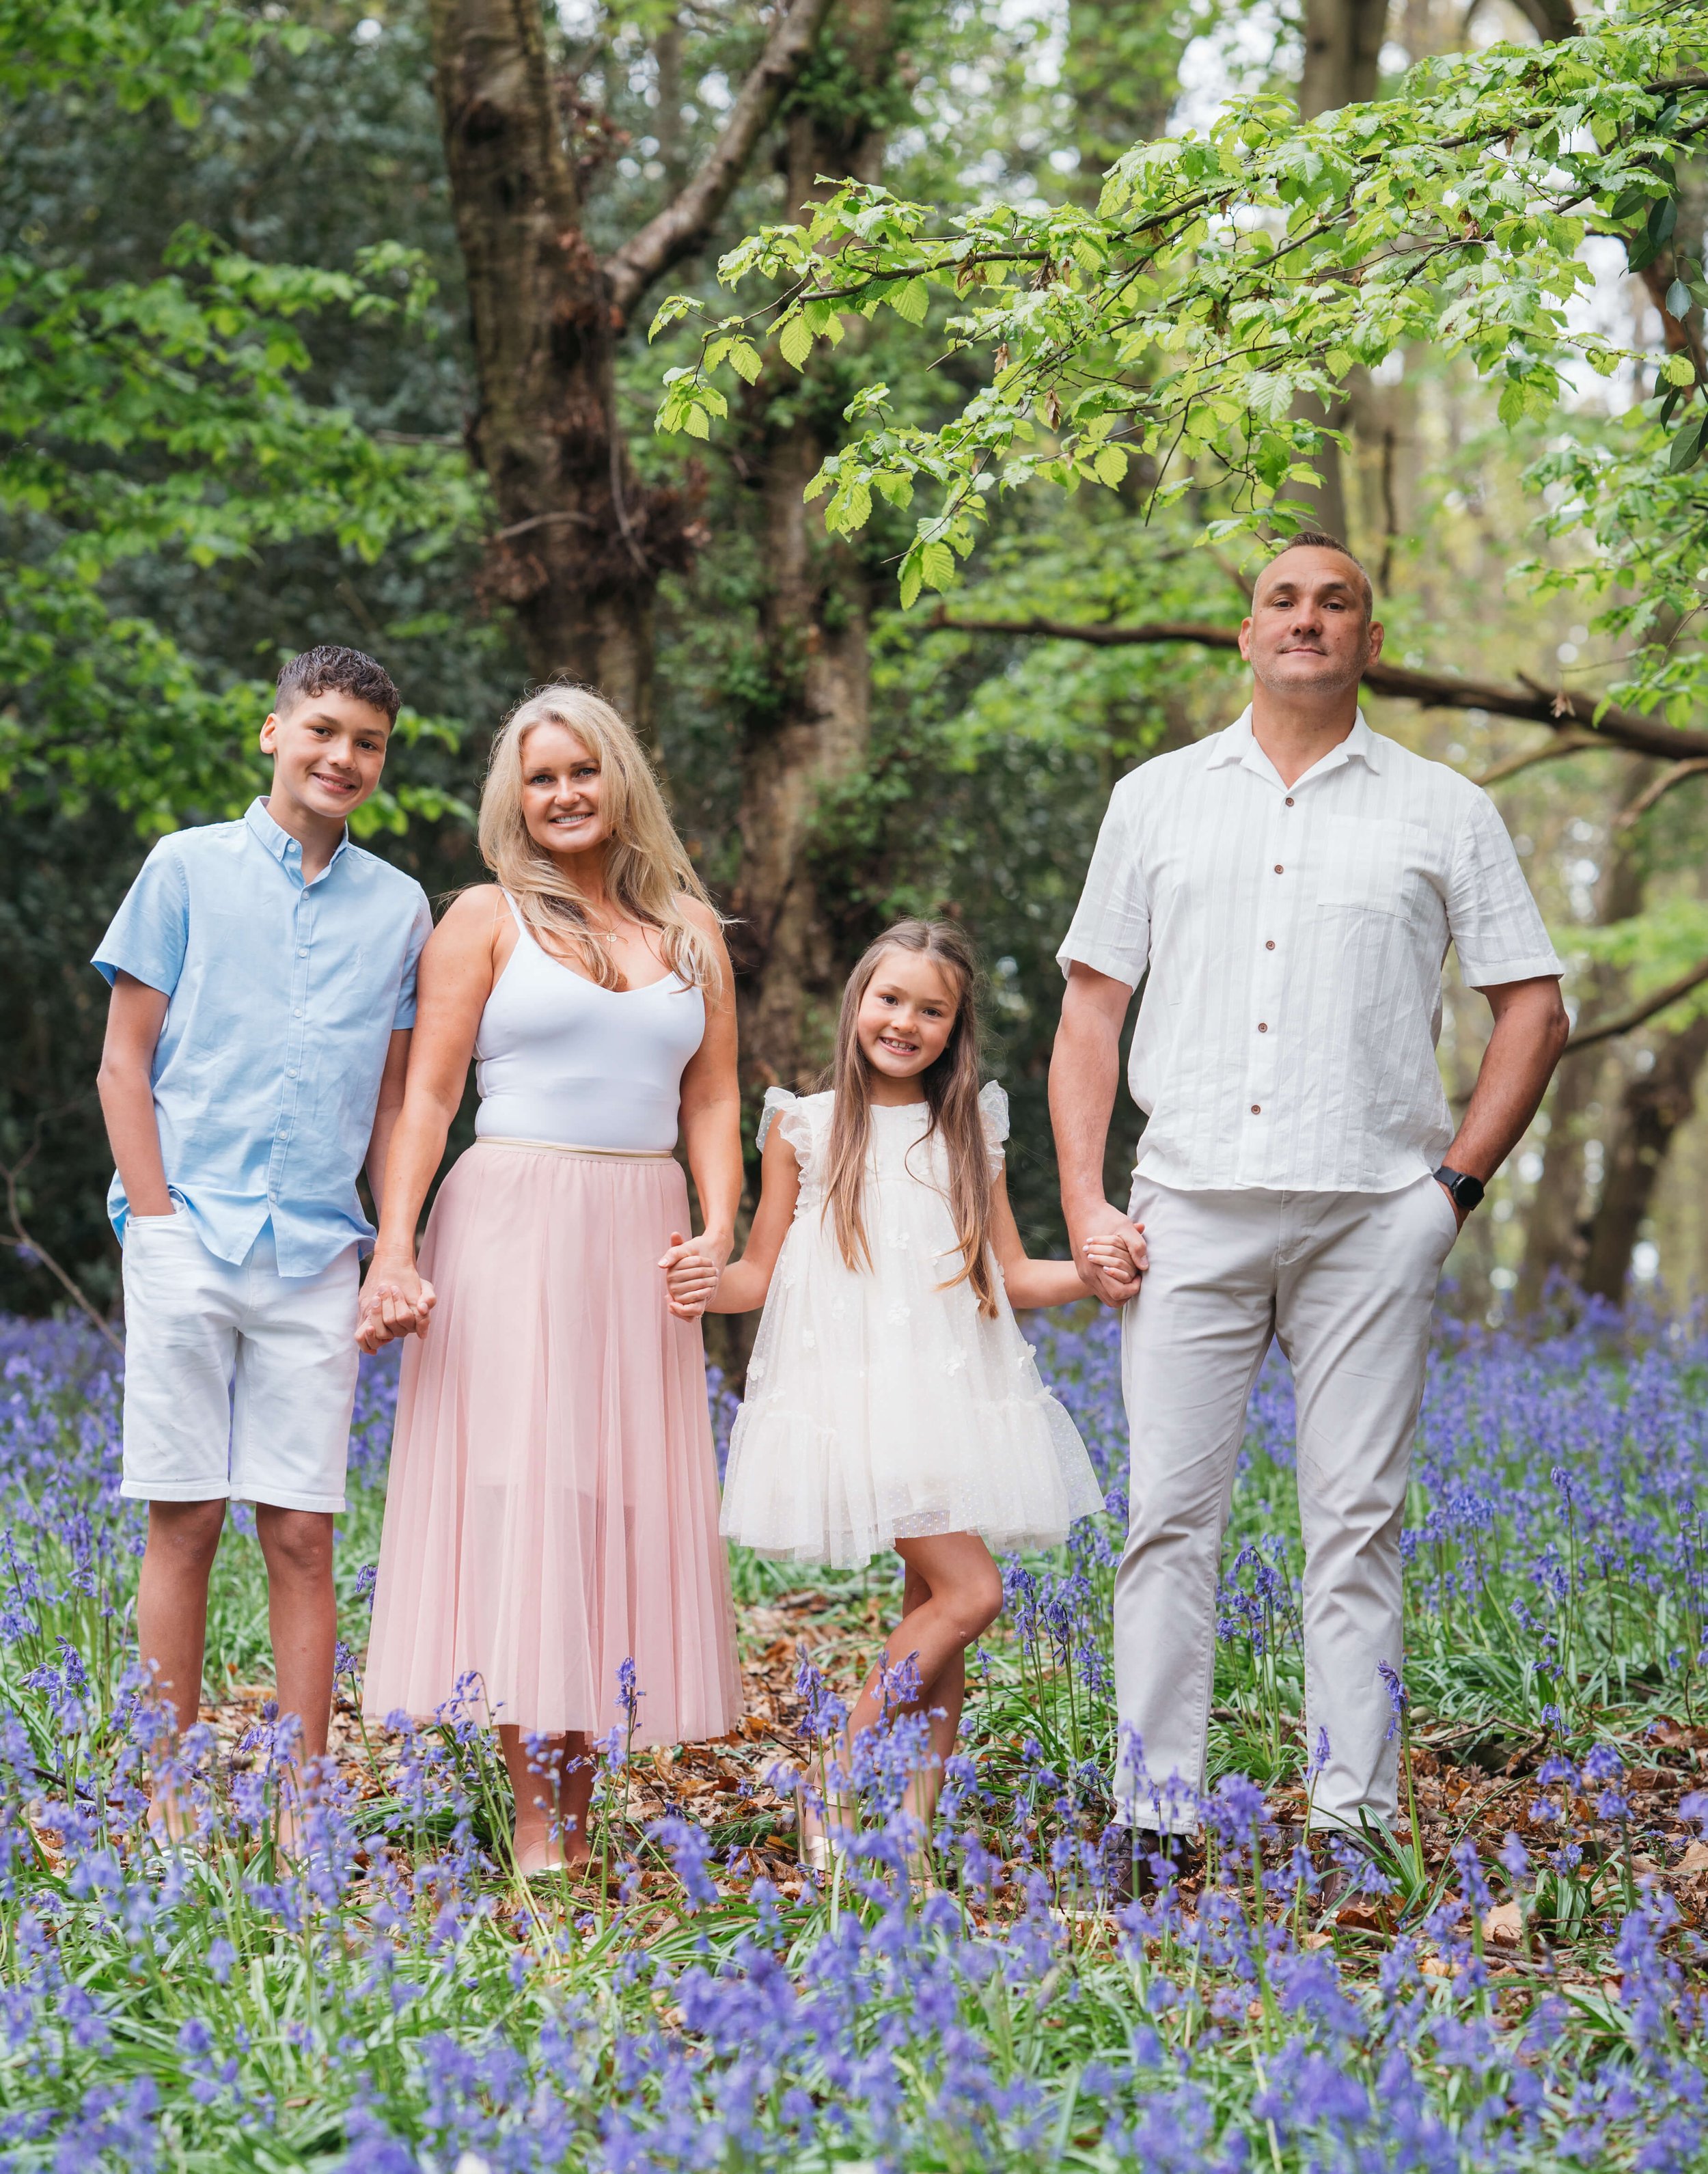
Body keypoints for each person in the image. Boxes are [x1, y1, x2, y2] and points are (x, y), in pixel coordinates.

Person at [1051, 533, 1569, 1891]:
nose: (1304, 619)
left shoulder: (1441, 809)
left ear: (1368, 641)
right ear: (1242, 633)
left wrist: (1447, 1191)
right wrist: (1082, 1198)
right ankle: (1155, 1815)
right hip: (1187, 1217)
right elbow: (1088, 1012)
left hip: (1371, 1216)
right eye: (1280, 599)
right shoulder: (1153, 800)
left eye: (1332, 601)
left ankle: (1352, 1820)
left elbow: (1532, 1005)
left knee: (1354, 1519)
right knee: (1167, 1515)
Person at [357, 684, 743, 1875]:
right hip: (511, 1221)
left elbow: (715, 1096)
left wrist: (719, 1225)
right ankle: (537, 1823)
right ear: (515, 799)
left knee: (609, 1504)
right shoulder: (482, 918)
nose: (565, 793)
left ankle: (586, 1807)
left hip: (641, 1233)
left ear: (619, 778)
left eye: (584, 770)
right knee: (529, 1499)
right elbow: (425, 1094)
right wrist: (395, 1243)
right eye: (542, 777)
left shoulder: (691, 926)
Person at [94, 644, 433, 1834]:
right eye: (325, 730)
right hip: (188, 1234)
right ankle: (172, 1792)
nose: (344, 756)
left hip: (319, 1255)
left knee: (299, 1529)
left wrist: (396, 1242)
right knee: (182, 1516)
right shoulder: (184, 868)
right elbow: (122, 1061)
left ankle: (303, 1798)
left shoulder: (400, 907)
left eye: (369, 742)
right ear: (273, 731)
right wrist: (155, 1222)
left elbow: (399, 1100)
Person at [690, 918, 1114, 1857]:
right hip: (860, 1405)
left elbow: (1013, 1271)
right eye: (891, 998)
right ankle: (835, 1783)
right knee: (974, 1590)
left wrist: (1098, 1268)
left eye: (932, 1009)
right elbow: (757, 1273)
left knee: (940, 1611)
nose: (906, 1021)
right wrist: (686, 1284)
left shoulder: (970, 1129)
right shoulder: (805, 1124)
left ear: (955, 1026)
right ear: (857, 1002)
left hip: (953, 1398)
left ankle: (912, 1834)